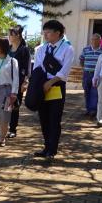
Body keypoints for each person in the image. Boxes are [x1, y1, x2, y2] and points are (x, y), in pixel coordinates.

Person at [32, 20, 75, 159]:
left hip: (57, 86)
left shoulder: (68, 48)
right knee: (43, 118)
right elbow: (38, 67)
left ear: (58, 33)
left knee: (54, 119)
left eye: (48, 32)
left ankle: (52, 149)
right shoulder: (42, 48)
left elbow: (64, 71)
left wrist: (50, 82)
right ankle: (46, 147)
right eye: (44, 33)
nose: (46, 36)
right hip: (43, 86)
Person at [6, 26, 31, 138]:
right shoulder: (8, 48)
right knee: (5, 105)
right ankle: (4, 126)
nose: (9, 37)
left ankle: (12, 129)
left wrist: (25, 81)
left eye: (11, 34)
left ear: (18, 35)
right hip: (6, 80)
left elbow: (27, 67)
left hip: (18, 81)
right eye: (9, 34)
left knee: (15, 105)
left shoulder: (24, 49)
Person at [79, 33, 102, 117]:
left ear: (100, 40)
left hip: (97, 75)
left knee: (95, 92)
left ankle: (93, 110)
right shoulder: (85, 49)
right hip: (86, 74)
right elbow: (81, 59)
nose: (94, 41)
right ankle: (88, 109)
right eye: (93, 39)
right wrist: (84, 68)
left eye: (96, 39)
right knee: (86, 91)